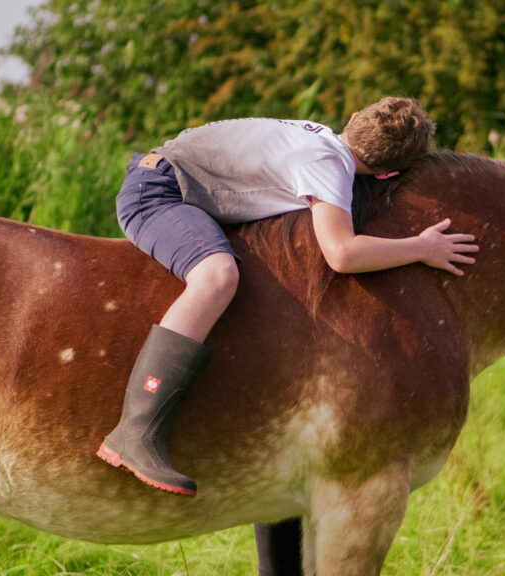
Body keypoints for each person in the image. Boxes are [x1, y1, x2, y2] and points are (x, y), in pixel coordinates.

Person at [96, 97, 479, 497]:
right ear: (388, 174)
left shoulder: (315, 134)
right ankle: (134, 431)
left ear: (352, 120)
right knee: (216, 276)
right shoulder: (330, 166)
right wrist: (421, 248)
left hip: (167, 176)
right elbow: (342, 254)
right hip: (158, 194)